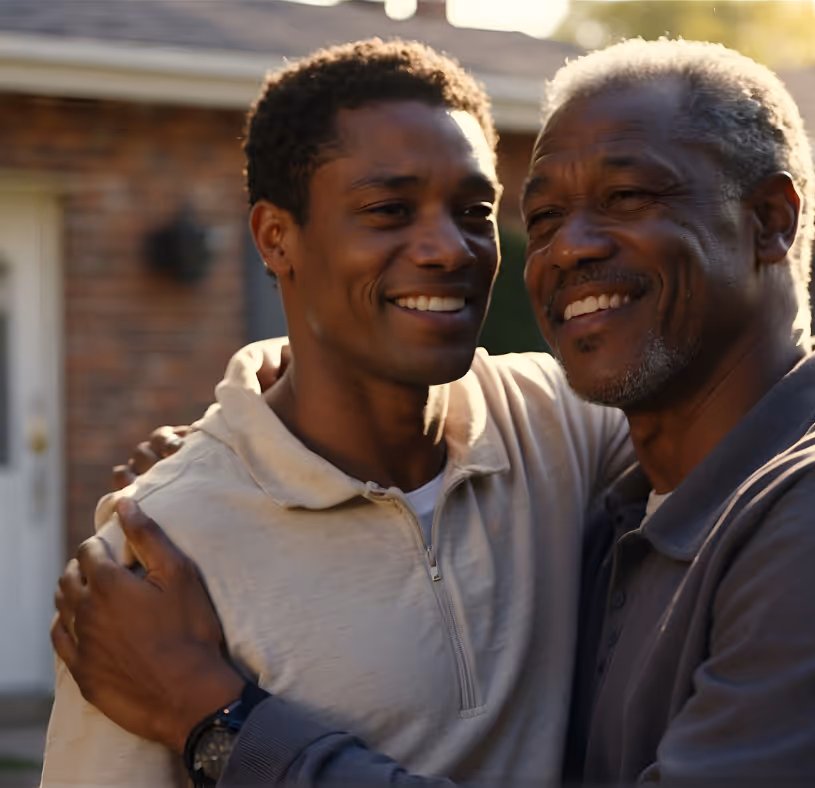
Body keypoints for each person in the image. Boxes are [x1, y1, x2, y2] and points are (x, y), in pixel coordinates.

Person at [54, 38, 815, 786]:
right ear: (275, 239)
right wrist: (219, 457)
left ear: (771, 221)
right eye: (544, 215)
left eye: (629, 196)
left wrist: (220, 722)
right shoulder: (156, 557)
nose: (571, 247)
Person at [42, 38, 633, 788]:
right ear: (275, 238)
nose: (450, 249)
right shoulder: (162, 543)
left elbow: (758, 400)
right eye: (388, 210)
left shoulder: (563, 423)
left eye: (474, 210)